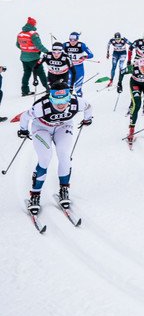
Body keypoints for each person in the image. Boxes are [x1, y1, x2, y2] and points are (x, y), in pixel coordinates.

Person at [19, 81, 93, 216]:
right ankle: (35, 195)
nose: (61, 104)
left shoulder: (76, 102)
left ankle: (64, 189)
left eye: (65, 99)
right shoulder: (41, 106)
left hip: (63, 126)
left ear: (69, 98)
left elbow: (88, 107)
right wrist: (23, 130)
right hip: (42, 128)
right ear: (50, 97)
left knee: (64, 155)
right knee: (45, 158)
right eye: (56, 100)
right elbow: (25, 116)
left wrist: (88, 119)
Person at [17, 17, 50, 96]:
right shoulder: (33, 34)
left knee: (26, 73)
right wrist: (48, 52)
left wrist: (25, 50)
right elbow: (39, 46)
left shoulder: (20, 34)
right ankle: (48, 88)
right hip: (33, 58)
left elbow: (17, 45)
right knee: (41, 73)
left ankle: (25, 91)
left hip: (23, 58)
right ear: (33, 24)